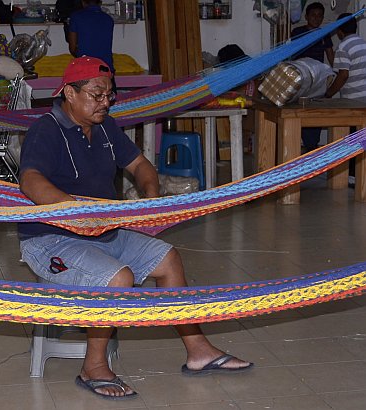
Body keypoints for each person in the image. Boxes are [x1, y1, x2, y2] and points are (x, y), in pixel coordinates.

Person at [18, 56, 253, 400]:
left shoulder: (105, 127)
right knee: (119, 278)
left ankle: (199, 351)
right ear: (69, 92)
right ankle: (93, 367)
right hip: (51, 239)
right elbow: (30, 181)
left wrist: (151, 200)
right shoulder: (46, 129)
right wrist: (76, 211)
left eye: (109, 95)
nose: (104, 102)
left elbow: (140, 164)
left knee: (169, 259)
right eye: (96, 95)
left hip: (103, 230)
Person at [291, 2, 334, 152]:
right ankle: (304, 143)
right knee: (301, 110)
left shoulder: (324, 33)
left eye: (319, 16)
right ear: (307, 16)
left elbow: (330, 54)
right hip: (302, 78)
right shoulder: (298, 32)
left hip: (319, 79)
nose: (316, 18)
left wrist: (333, 74)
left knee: (316, 111)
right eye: (313, 15)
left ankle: (312, 145)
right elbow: (291, 53)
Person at [67, 0, 116, 92]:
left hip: (85, 70)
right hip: (106, 69)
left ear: (83, 2)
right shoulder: (108, 19)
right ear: (100, 2)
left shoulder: (76, 17)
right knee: (107, 102)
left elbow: (72, 48)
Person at [325, 13, 366, 101]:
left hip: (353, 98)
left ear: (339, 30)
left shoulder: (343, 47)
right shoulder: (363, 43)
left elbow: (343, 75)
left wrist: (328, 93)